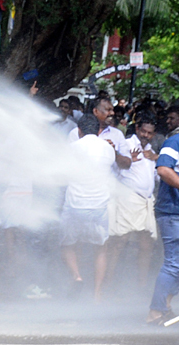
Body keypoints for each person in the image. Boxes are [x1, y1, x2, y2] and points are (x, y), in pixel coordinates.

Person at [60, 114, 115, 301]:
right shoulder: (108, 149)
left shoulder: (72, 148)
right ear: (99, 130)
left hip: (75, 204)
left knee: (67, 244)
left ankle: (77, 276)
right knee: (101, 248)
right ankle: (97, 293)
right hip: (98, 206)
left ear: (79, 131)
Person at [106, 113, 158, 291]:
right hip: (127, 197)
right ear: (137, 129)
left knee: (146, 244)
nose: (145, 135)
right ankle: (108, 284)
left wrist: (156, 158)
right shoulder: (127, 145)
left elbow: (157, 176)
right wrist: (129, 161)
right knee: (119, 242)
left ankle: (141, 286)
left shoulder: (151, 151)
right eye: (143, 131)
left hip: (146, 201)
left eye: (149, 133)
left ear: (153, 134)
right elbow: (114, 168)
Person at [147, 112, 179, 325]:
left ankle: (164, 307)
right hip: (172, 212)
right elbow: (163, 169)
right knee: (173, 263)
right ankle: (155, 313)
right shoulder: (174, 141)